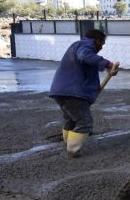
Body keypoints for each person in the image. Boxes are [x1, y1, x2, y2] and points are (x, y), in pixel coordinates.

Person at [49, 29, 118, 158]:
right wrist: (107, 64)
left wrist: (107, 69)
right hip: (73, 92)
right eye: (102, 43)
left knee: (72, 119)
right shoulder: (85, 46)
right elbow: (85, 56)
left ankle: (67, 141)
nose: (101, 47)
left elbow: (87, 63)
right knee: (84, 121)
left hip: (62, 91)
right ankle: (73, 150)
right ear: (96, 40)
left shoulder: (78, 45)